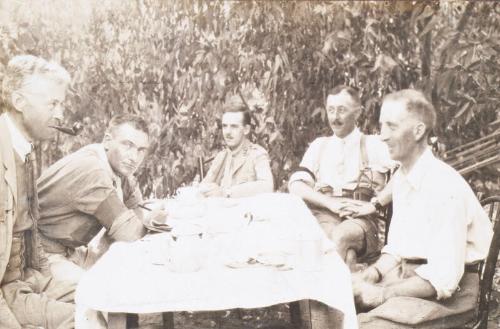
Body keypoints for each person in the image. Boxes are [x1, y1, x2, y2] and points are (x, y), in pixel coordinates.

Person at [351, 89, 493, 328]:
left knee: (366, 326)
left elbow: (444, 278)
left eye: (391, 127)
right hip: (410, 279)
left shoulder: (444, 187)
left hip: (453, 295)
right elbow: (397, 249)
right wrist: (372, 274)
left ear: (418, 131)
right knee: (336, 303)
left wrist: (383, 294)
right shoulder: (404, 178)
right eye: (381, 126)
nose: (382, 136)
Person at [37, 114, 166, 284]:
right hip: (39, 255)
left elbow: (137, 212)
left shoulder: (119, 169)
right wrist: (157, 215)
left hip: (68, 251)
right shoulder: (93, 169)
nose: (134, 157)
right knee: (99, 292)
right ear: (107, 141)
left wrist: (145, 219)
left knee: (128, 273)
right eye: (127, 145)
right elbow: (131, 234)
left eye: (141, 150)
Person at [0, 54, 75, 329]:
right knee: (85, 319)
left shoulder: (23, 149)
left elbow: (28, 229)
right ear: (19, 102)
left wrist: (48, 280)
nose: (60, 114)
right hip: (6, 293)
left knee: (102, 297)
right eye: (52, 103)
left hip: (28, 278)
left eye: (61, 104)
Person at [288, 85, 394, 268]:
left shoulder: (374, 144)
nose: (335, 117)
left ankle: (324, 294)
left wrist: (373, 205)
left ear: (358, 113)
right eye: (331, 110)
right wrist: (330, 203)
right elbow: (296, 185)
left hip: (361, 219)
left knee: (340, 236)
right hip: (324, 214)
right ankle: (349, 271)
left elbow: (403, 178)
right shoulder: (319, 146)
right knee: (325, 242)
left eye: (341, 110)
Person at [199, 97, 274, 198]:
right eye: (225, 126)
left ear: (246, 129)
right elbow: (204, 187)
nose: (228, 132)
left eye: (234, 126)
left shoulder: (257, 154)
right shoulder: (222, 157)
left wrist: (226, 192)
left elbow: (267, 186)